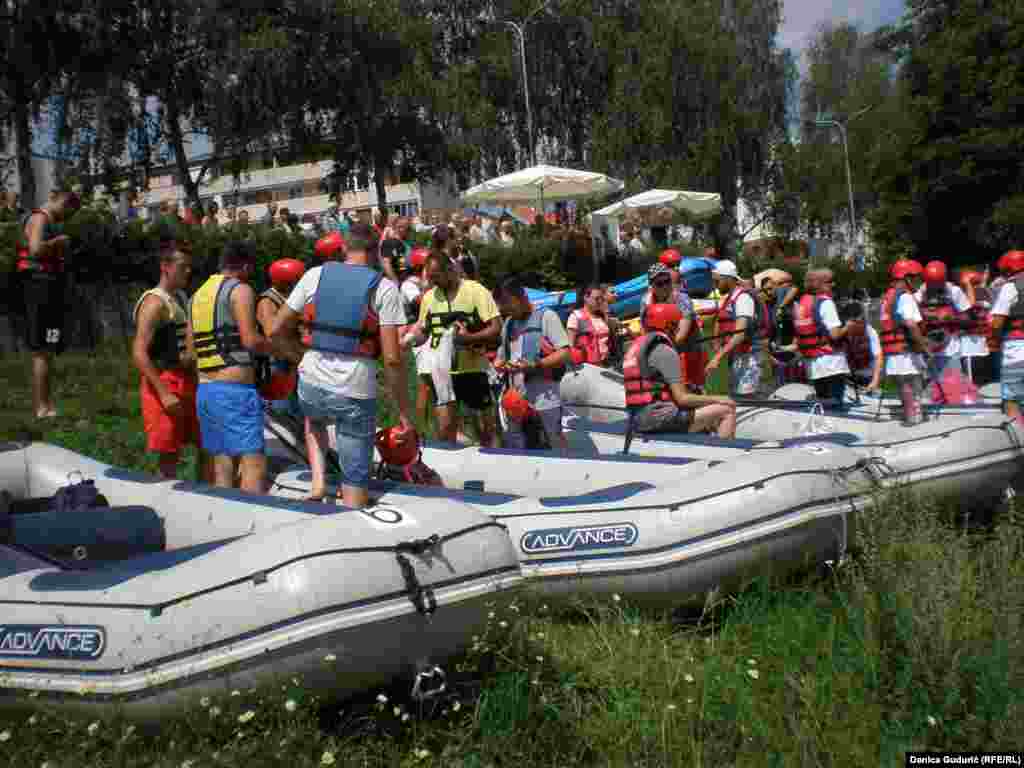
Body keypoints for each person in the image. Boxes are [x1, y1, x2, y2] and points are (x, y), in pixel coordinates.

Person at [270, 223, 413, 507]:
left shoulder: (314, 275)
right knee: (355, 484)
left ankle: (318, 483)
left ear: (344, 248)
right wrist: (404, 414)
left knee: (315, 420)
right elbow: (393, 358)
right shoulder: (384, 288)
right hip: (353, 390)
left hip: (310, 383)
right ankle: (352, 502)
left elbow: (275, 331)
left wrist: (300, 359)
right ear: (376, 253)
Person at [188, 240, 275, 492]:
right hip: (235, 390)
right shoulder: (240, 290)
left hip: (206, 391)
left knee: (222, 465)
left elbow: (193, 351)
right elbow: (250, 340)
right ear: (245, 266)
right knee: (253, 464)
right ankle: (255, 518)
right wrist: (277, 348)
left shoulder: (196, 295)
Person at [131, 237, 211, 481]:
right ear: (165, 267)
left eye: (189, 266)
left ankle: (206, 493)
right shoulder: (154, 302)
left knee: (205, 443)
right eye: (182, 266)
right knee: (169, 453)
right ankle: (165, 499)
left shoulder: (181, 298)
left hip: (186, 380)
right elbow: (139, 352)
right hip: (164, 382)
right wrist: (164, 393)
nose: (188, 271)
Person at [407, 253, 501, 446]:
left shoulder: (476, 290)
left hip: (473, 370)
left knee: (487, 431)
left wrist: (469, 338)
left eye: (436, 276)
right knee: (444, 429)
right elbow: (424, 331)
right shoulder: (429, 297)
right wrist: (411, 339)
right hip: (442, 373)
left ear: (450, 270)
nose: (433, 282)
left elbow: (496, 326)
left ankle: (494, 464)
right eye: (430, 277)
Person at [14, 188, 80, 418]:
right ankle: (42, 407)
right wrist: (57, 243)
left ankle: (47, 403)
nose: (65, 216)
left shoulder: (51, 220)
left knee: (50, 345)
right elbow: (35, 249)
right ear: (56, 199)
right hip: (38, 289)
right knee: (41, 349)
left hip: (50, 291)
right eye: (66, 209)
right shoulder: (40, 218)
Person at [624, 303, 737, 438]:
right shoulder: (665, 351)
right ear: (669, 326)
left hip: (636, 417)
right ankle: (725, 454)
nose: (678, 328)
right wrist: (720, 398)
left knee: (701, 408)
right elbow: (682, 399)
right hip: (658, 419)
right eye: (676, 324)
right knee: (726, 410)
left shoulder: (635, 347)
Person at [492, 276, 573, 454]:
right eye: (502, 307)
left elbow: (565, 353)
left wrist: (537, 365)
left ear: (521, 297)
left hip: (546, 401)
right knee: (522, 449)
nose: (506, 310)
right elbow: (501, 357)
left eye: (508, 304)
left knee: (554, 446)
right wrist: (499, 364)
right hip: (517, 403)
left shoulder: (547, 317)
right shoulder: (508, 324)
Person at [792, 268, 855, 405]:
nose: (833, 285)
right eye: (829, 282)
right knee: (835, 404)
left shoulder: (801, 304)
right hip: (832, 363)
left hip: (813, 363)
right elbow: (835, 334)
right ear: (818, 284)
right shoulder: (825, 303)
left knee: (823, 403)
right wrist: (849, 326)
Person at [880, 259, 931, 425]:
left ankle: (909, 415)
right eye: (915, 277)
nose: (918, 281)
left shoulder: (888, 296)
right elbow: (910, 323)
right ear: (906, 278)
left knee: (903, 383)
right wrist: (924, 347)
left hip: (893, 350)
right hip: (905, 349)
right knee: (912, 382)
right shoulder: (905, 297)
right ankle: (913, 418)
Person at [706, 259, 764, 398]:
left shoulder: (743, 298)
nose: (714, 285)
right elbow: (722, 322)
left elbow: (740, 334)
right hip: (737, 357)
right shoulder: (730, 298)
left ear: (727, 278)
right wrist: (716, 343)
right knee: (737, 400)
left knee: (747, 400)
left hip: (749, 359)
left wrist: (718, 357)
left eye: (717, 281)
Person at [255, 258, 307, 416]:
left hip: (293, 365)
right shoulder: (267, 301)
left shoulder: (292, 299)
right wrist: (298, 357)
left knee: (299, 415)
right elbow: (272, 334)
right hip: (277, 369)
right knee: (282, 416)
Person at [915, 261, 971, 382]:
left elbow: (968, 319)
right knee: (929, 390)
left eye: (937, 284)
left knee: (952, 387)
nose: (934, 287)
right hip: (928, 350)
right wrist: (926, 315)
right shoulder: (919, 294)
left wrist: (951, 318)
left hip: (950, 349)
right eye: (931, 284)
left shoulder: (954, 291)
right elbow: (912, 318)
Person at [989, 250, 1024, 424]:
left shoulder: (1010, 287)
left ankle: (1017, 440)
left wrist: (993, 342)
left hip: (1017, 347)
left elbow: (997, 322)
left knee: (1011, 395)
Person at [958, 270, 995, 386]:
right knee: (975, 363)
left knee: (972, 363)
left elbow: (971, 305)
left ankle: (973, 385)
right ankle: (975, 385)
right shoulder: (982, 292)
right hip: (975, 335)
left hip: (973, 335)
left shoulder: (972, 293)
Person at [839, 301, 883, 394]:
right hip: (848, 377)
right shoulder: (840, 331)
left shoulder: (869, 331)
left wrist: (874, 381)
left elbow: (878, 357)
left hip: (863, 378)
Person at [567, 284, 613, 366]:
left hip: (607, 363)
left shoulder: (602, 316)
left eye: (601, 299)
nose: (599, 301)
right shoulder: (576, 316)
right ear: (586, 298)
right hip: (588, 366)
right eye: (596, 298)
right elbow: (570, 346)